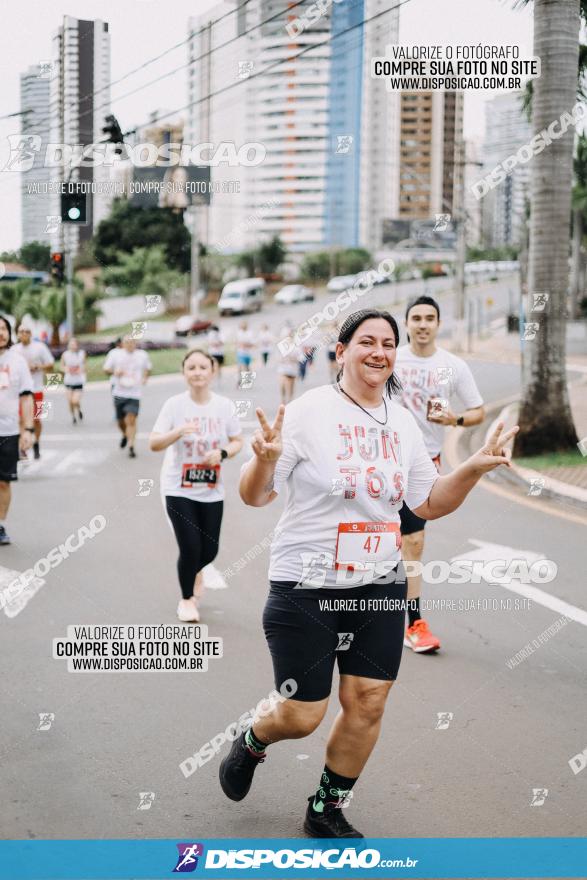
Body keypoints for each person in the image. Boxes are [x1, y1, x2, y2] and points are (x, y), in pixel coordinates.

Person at [218, 308, 516, 838]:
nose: (379, 351)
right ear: (341, 351)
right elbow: (254, 495)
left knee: (368, 701)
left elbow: (426, 502)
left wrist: (471, 467)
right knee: (302, 714)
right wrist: (264, 459)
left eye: (388, 343)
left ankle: (325, 809)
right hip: (306, 586)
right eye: (366, 341)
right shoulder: (310, 412)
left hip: (379, 584)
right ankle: (253, 740)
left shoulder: (401, 422)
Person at [395, 296, 485, 653]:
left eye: (429, 318)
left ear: (438, 323)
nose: (422, 324)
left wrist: (455, 420)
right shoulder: (392, 359)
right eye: (415, 318)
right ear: (406, 323)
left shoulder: (452, 365)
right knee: (375, 539)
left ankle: (414, 623)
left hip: (424, 464)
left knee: (413, 542)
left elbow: (477, 410)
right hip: (382, 462)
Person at [149, 349, 243, 622]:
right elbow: (154, 443)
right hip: (178, 487)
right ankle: (187, 599)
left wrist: (223, 453)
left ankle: (194, 571)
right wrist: (177, 431)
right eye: (192, 367)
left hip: (211, 488)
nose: (198, 372)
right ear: (184, 373)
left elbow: (238, 440)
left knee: (209, 549)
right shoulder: (174, 406)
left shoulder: (224, 406)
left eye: (203, 367)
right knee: (190, 546)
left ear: (213, 371)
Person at [0, 316, 34, 544]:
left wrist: (28, 429)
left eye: (3, 328)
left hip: (8, 431)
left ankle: (0, 524)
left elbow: (26, 397)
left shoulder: (17, 361)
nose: (1, 332)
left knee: (3, 482)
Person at [103, 335, 152, 458]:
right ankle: (125, 435)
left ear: (136, 343)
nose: (130, 344)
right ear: (122, 344)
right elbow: (106, 369)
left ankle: (131, 445)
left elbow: (148, 368)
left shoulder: (142, 355)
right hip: (119, 392)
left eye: (132, 342)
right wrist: (115, 372)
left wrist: (145, 378)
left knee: (131, 419)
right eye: (127, 342)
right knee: (121, 421)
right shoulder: (115, 354)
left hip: (135, 393)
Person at [13, 325, 54, 460]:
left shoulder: (40, 347)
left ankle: (36, 443)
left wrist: (37, 366)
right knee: (20, 420)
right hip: (19, 391)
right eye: (21, 331)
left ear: (31, 334)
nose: (24, 333)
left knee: (37, 420)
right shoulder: (14, 349)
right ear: (18, 334)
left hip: (37, 389)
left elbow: (51, 364)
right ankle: (22, 447)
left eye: (27, 331)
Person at [60, 338, 86, 424]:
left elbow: (85, 366)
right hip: (68, 381)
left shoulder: (82, 353)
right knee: (70, 401)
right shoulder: (65, 354)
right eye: (71, 344)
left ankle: (79, 410)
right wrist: (66, 369)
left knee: (75, 400)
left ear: (77, 345)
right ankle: (73, 416)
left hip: (78, 381)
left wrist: (81, 370)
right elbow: (61, 366)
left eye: (74, 344)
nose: (73, 346)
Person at [235, 321, 255, 385]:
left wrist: (245, 344)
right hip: (241, 353)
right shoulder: (239, 333)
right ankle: (241, 380)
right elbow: (237, 343)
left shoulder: (250, 333)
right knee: (241, 366)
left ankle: (248, 381)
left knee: (247, 367)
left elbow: (252, 343)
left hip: (248, 353)